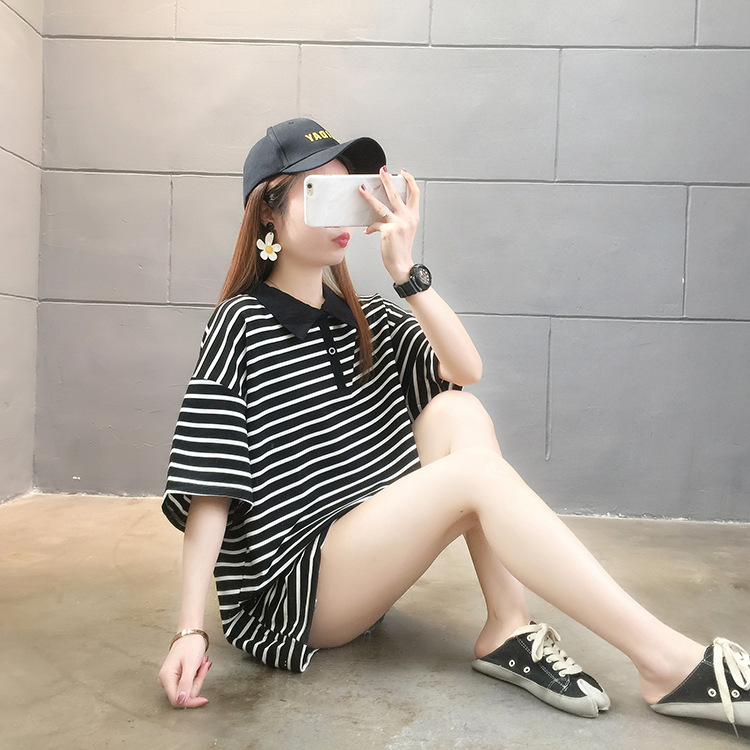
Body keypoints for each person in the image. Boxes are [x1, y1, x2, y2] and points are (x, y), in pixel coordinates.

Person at [158, 117, 749, 730]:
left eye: (348, 192)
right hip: (293, 596)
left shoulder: (367, 319)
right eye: (317, 193)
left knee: (457, 410)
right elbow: (209, 485)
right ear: (268, 213)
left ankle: (507, 628)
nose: (341, 214)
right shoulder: (240, 322)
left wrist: (405, 270)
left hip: (359, 553)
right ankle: (667, 663)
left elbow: (466, 369)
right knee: (475, 477)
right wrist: (190, 629)